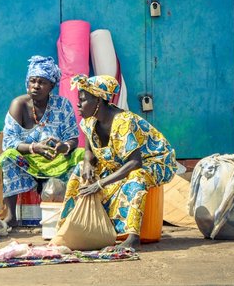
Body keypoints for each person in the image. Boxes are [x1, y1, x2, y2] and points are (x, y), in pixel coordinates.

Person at [58, 74, 177, 249]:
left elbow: (135, 163)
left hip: (154, 162)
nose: (78, 104)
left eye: (83, 100)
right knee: (79, 170)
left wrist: (99, 184)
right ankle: (70, 227)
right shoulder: (90, 121)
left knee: (137, 177)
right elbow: (89, 150)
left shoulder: (123, 122)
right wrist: (88, 163)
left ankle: (132, 237)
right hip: (118, 163)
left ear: (98, 101)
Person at [0, 56, 84, 228]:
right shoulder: (18, 104)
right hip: (27, 162)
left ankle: (72, 215)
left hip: (56, 161)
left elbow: (73, 138)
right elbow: (9, 141)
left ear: (52, 86)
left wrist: (64, 147)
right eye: (32, 81)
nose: (36, 86)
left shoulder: (63, 105)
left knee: (81, 155)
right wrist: (34, 148)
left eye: (42, 82)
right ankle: (11, 216)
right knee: (8, 156)